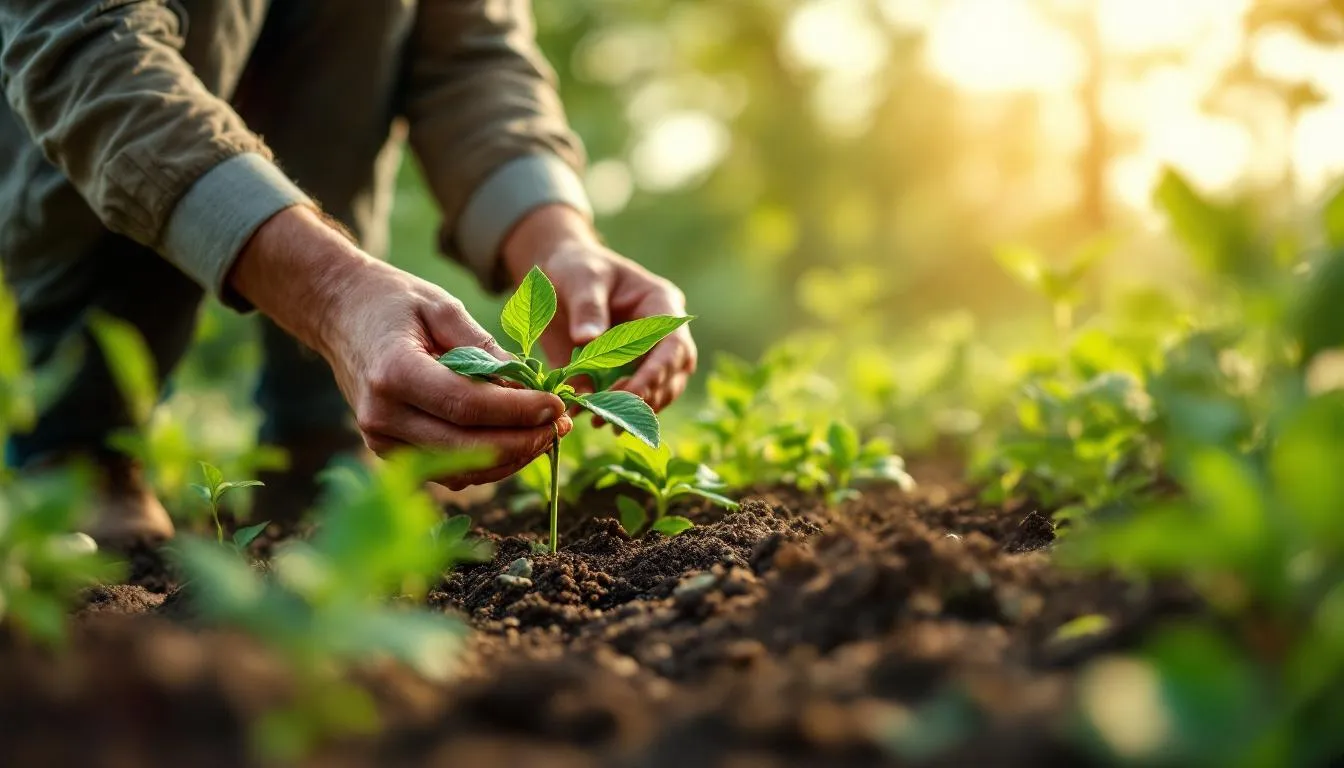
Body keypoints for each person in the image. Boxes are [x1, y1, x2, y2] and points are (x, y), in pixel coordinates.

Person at [0, 0, 697, 545]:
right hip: (69, 121)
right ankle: (74, 430)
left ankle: (320, 440)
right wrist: (332, 292)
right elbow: (84, 45)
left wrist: (559, 241)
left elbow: (472, 52)